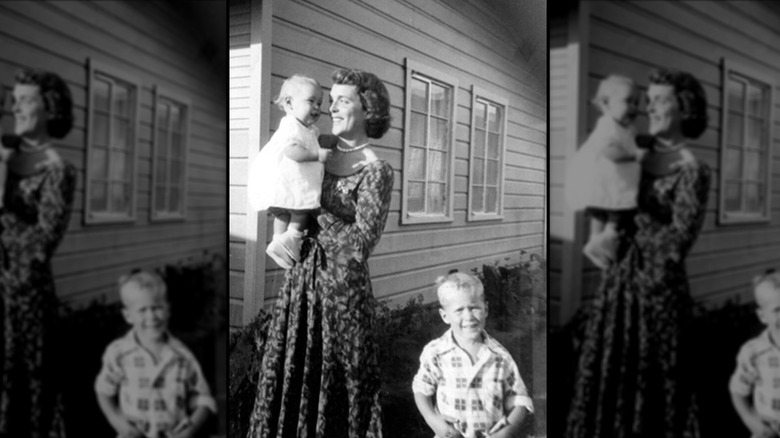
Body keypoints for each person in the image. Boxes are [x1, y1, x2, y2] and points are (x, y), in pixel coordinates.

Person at [247, 68, 393, 438]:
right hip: (302, 280)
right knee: (295, 372)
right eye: (331, 101)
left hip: (341, 291)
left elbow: (361, 243)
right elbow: (286, 182)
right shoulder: (317, 144)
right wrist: (284, 226)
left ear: (368, 109)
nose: (332, 108)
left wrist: (312, 213)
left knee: (339, 379)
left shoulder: (376, 170)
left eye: (343, 101)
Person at [565, 69, 711, 437]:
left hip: (657, 288)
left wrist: (627, 232)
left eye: (661, 100)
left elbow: (679, 240)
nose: (650, 108)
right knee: (610, 372)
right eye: (649, 100)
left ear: (685, 108)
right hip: (618, 282)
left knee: (655, 378)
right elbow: (601, 181)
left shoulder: (692, 169)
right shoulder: (634, 144)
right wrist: (599, 233)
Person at [0, 69, 77, 437]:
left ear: (50, 108)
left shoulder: (58, 171)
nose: (16, 107)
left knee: (24, 386)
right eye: (14, 100)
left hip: (22, 297)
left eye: (26, 100)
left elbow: (41, 244)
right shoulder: (5, 157)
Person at [95, 271, 216, 438]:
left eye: (157, 308)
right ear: (128, 316)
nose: (151, 316)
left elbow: (204, 399)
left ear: (168, 309)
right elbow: (103, 390)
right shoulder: (119, 353)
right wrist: (117, 421)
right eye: (142, 310)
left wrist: (190, 430)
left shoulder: (182, 356)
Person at [412, 272, 533, 438]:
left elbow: (519, 400)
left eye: (474, 308)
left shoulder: (500, 357)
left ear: (486, 309)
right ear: (445, 316)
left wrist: (506, 432)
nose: (468, 317)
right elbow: (421, 389)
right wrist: (432, 419)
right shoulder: (436, 352)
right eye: (459, 310)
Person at [248, 74, 332, 269]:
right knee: (302, 208)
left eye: (319, 103)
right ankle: (292, 238)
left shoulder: (308, 129)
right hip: (291, 181)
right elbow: (292, 151)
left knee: (283, 214)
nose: (317, 108)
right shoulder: (291, 126)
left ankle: (278, 242)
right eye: (311, 101)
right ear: (289, 103)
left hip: (287, 182)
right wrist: (316, 155)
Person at [566, 74, 644, 269]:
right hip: (606, 181)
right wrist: (634, 155)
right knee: (612, 213)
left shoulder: (627, 128)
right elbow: (611, 152)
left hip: (614, 182)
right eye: (628, 101)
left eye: (636, 102)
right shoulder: (608, 125)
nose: (634, 107)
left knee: (606, 213)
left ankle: (597, 243)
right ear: (606, 104)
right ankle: (598, 242)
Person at [730, 270, 780, 438]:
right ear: (762, 316)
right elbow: (738, 390)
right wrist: (750, 420)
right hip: (770, 432)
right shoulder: (754, 352)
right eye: (777, 310)